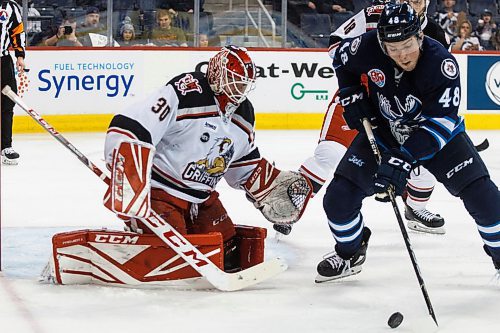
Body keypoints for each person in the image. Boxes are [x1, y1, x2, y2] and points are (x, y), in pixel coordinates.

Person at [315, 3, 500, 282]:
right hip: (384, 131)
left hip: (438, 139)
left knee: (487, 201)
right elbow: (340, 59)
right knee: (338, 200)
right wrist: (351, 94)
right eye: (393, 48)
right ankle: (350, 253)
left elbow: (440, 123)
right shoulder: (367, 46)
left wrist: (404, 157)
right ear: (381, 43)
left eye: (407, 44)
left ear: (420, 37)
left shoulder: (440, 63)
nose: (402, 54)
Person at [102, 46, 311, 277]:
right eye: (234, 80)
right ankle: (138, 228)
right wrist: (126, 172)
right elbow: (134, 125)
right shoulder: (188, 90)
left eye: (244, 83)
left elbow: (241, 163)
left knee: (229, 252)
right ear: (217, 73)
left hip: (201, 199)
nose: (240, 89)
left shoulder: (244, 113)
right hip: (159, 193)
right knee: (173, 257)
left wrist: (267, 186)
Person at [289, 0, 449, 238]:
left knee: (425, 163)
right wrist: (355, 79)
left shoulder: (435, 31)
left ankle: (416, 209)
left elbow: (436, 81)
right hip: (358, 98)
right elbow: (336, 43)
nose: (414, 1)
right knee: (330, 153)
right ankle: (290, 207)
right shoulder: (374, 14)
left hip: (400, 105)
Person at [1, 0, 26, 165]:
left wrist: (20, 55)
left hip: (2, 61)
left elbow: (17, 30)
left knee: (8, 102)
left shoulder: (9, 6)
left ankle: (6, 146)